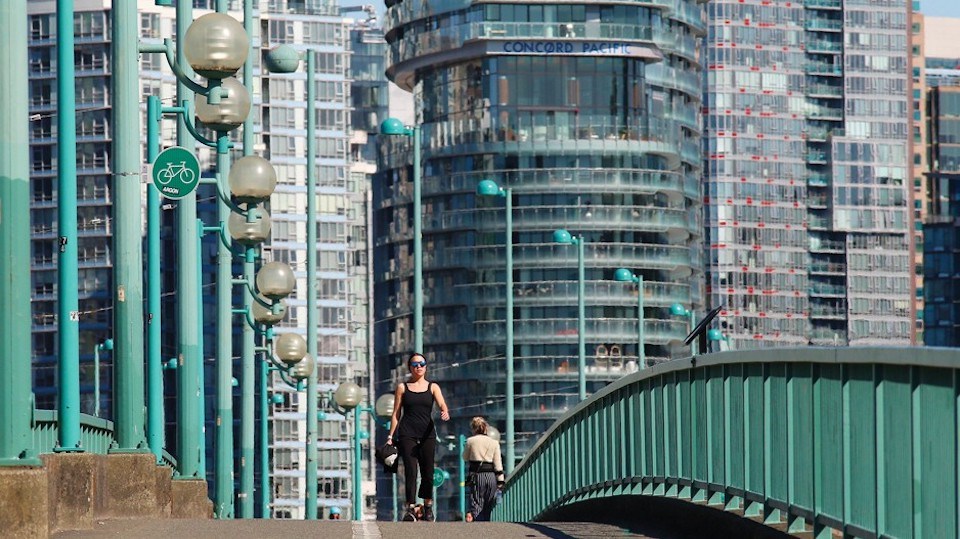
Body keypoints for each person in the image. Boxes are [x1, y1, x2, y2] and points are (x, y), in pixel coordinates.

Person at [387, 353, 450, 522]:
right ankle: (410, 508)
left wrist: (444, 410)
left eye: (422, 363)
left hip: (427, 434)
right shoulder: (402, 387)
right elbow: (396, 414)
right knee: (411, 471)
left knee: (428, 472)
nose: (419, 367)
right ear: (410, 368)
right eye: (415, 364)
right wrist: (390, 436)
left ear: (426, 366)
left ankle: (427, 506)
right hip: (407, 433)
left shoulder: (433, 387)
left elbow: (442, 403)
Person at [462, 416, 504, 522]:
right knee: (488, 505)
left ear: (473, 428)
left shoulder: (470, 441)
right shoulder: (494, 443)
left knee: (477, 503)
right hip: (491, 477)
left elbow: (464, 457)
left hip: (477, 476)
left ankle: (480, 528)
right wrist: (500, 481)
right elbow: (498, 464)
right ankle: (486, 523)